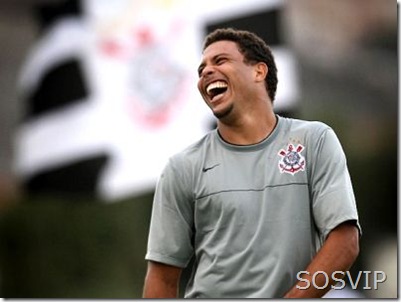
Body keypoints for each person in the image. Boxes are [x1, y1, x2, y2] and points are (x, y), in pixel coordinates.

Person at [142, 28, 361, 298]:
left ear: (259, 71)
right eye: (201, 70)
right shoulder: (182, 167)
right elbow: (162, 279)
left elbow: (345, 243)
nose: (206, 72)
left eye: (220, 61)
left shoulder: (314, 140)